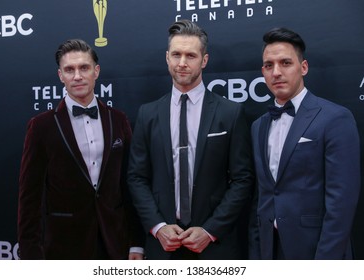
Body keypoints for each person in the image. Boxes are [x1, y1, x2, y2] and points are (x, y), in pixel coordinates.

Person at [127, 19, 254, 260]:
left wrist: (210, 230)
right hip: (162, 246)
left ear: (204, 60)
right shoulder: (148, 114)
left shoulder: (230, 113)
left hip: (214, 247)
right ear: (167, 58)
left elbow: (243, 180)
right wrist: (157, 227)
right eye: (176, 54)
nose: (182, 63)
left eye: (191, 55)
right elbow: (136, 177)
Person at [18, 39, 144, 259]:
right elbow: (30, 198)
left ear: (96, 72)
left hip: (115, 241)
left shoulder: (118, 120)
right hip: (64, 245)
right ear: (60, 76)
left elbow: (129, 184)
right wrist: (31, 258)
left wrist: (137, 243)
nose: (77, 76)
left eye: (84, 68)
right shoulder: (41, 126)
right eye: (69, 69)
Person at [248, 27, 361, 259]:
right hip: (270, 252)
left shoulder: (335, 118)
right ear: (262, 71)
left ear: (304, 67)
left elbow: (341, 203)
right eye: (269, 65)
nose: (276, 72)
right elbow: (262, 197)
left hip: (317, 251)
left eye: (285, 63)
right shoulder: (258, 126)